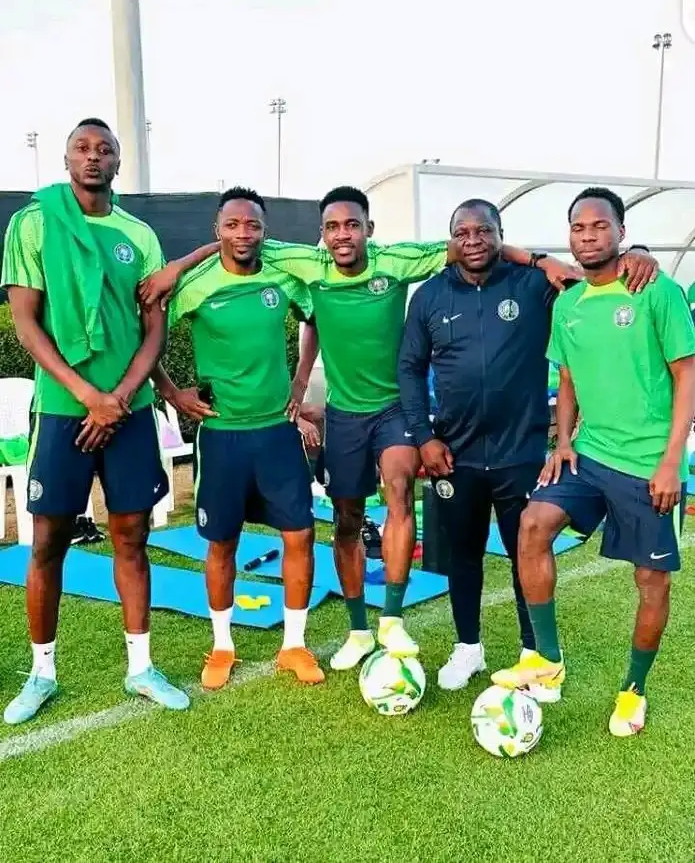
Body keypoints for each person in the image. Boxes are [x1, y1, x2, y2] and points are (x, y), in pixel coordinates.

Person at [139, 186, 580, 671]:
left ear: (369, 229)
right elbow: (238, 246)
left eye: (352, 225)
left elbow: (470, 244)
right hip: (342, 415)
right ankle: (357, 630)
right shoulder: (305, 265)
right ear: (321, 234)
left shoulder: (396, 260)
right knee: (346, 519)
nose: (343, 235)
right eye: (332, 227)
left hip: (394, 410)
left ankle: (391, 618)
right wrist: (177, 269)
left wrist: (539, 260)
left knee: (399, 492)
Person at [398, 198, 658, 690]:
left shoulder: (534, 285)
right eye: (462, 233)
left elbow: (595, 277)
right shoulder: (430, 295)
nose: (473, 241)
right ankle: (468, 648)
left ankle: (531, 651)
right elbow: (409, 369)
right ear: (451, 240)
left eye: (484, 231)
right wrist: (424, 436)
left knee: (527, 550)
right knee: (463, 553)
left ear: (501, 235)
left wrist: (639, 253)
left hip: (521, 452)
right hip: (454, 454)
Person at [0, 118, 189, 724]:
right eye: (82, 148)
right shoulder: (33, 223)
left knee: (131, 535)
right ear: (65, 160)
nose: (93, 156)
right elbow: (26, 323)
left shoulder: (139, 234)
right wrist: (88, 395)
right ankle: (42, 673)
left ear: (117, 163)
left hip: (128, 411)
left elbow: (154, 328)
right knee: (48, 541)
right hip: (63, 411)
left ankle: (141, 668)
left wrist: (120, 397)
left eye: (104, 149)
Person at [492, 187, 695, 738]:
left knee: (651, 580)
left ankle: (634, 689)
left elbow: (687, 375)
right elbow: (567, 377)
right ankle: (547, 661)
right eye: (578, 228)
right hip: (592, 454)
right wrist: (563, 442)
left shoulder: (656, 291)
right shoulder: (568, 304)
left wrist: (671, 461)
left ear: (621, 232)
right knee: (533, 524)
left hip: (648, 463)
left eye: (600, 226)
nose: (588, 236)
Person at [153, 187, 325, 687]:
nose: (243, 233)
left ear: (264, 231)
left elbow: (314, 319)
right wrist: (171, 391)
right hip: (221, 437)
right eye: (232, 225)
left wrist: (300, 380)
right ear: (217, 230)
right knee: (222, 542)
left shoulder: (283, 277)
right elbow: (147, 334)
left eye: (253, 225)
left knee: (300, 534)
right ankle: (222, 646)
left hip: (277, 432)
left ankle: (294, 645)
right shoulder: (195, 285)